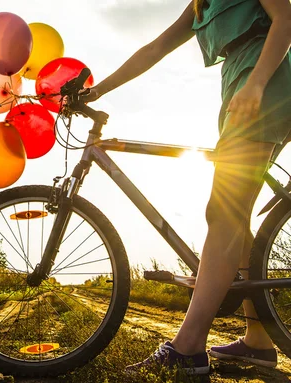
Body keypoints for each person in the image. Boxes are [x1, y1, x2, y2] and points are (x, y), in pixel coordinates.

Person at [86, 0, 291, 375]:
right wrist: (97, 91)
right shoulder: (201, 4)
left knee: (223, 211)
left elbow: (286, 18)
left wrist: (258, 83)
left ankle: (188, 347)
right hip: (240, 81)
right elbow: (155, 48)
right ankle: (259, 341)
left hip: (264, 79)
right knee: (236, 215)